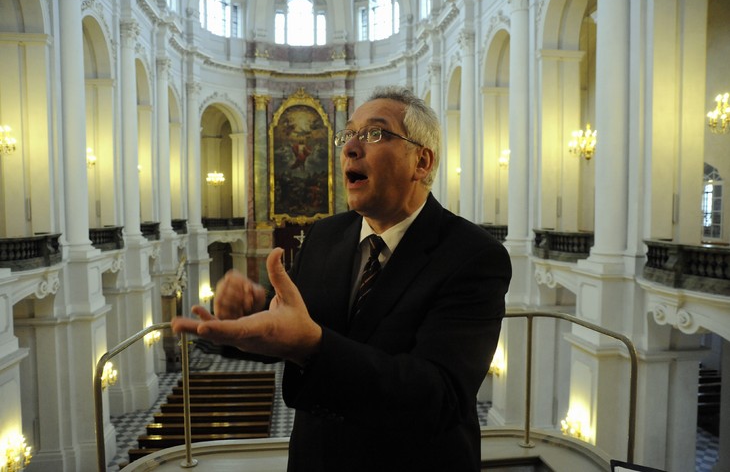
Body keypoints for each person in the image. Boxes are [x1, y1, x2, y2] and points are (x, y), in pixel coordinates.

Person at [172, 86, 512, 471]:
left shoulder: (474, 255)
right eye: (347, 135)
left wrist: (314, 347)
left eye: (374, 134)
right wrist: (247, 310)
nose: (350, 147)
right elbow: (288, 320)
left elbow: (439, 395)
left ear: (421, 161)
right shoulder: (325, 235)